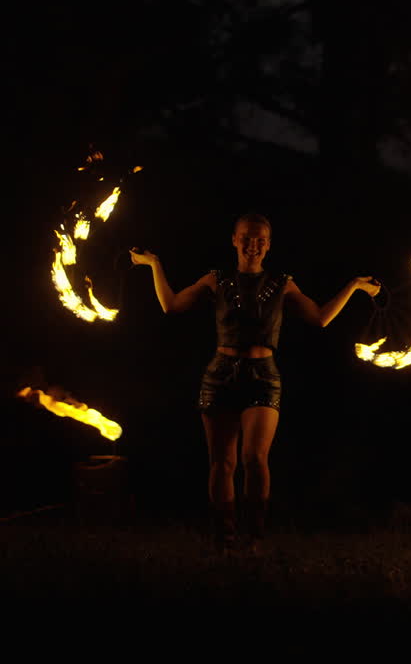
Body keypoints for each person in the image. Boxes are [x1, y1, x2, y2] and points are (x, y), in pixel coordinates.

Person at [131, 213, 380, 551]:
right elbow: (171, 306)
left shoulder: (282, 282)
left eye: (260, 239)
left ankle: (254, 538)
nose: (253, 244)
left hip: (264, 375)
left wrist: (353, 286)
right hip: (219, 375)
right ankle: (224, 537)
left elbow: (319, 318)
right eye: (247, 237)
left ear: (269, 244)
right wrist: (154, 265)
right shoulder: (215, 279)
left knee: (254, 457)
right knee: (222, 461)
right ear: (234, 240)